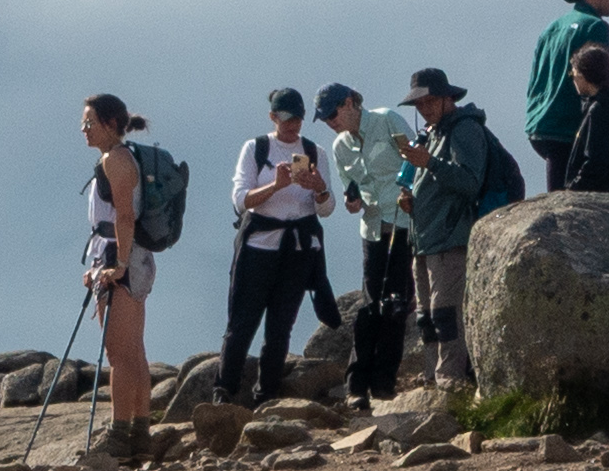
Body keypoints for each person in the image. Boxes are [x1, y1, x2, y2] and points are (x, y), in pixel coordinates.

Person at [398, 67, 517, 390]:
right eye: (419, 104)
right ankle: (432, 378)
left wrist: (430, 164)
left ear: (447, 98)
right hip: (425, 239)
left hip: (451, 238)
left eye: (429, 101)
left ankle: (451, 380)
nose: (423, 109)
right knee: (427, 316)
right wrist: (410, 200)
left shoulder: (464, 130)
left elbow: (468, 181)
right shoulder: (433, 133)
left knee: (446, 314)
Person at [220, 89, 337, 404]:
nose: (292, 125)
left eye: (297, 118)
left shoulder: (315, 152)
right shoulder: (256, 148)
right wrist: (276, 185)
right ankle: (225, 390)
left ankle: (267, 393)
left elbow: (326, 209)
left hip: (298, 250)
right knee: (242, 323)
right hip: (258, 248)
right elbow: (241, 201)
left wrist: (319, 189)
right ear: (273, 117)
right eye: (285, 118)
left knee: (281, 327)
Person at [321, 82, 416, 397]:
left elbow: (415, 159)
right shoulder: (340, 147)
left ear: (349, 103)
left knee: (396, 304)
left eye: (332, 113)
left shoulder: (387, 119)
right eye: (324, 118)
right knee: (369, 305)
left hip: (402, 221)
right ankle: (356, 383)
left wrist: (409, 192)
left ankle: (383, 383)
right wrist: (353, 202)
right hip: (373, 227)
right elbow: (352, 187)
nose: (330, 122)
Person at [79, 97, 161, 448]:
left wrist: (117, 266)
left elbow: (124, 216)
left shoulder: (116, 160)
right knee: (134, 351)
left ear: (110, 123)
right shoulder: (126, 157)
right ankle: (140, 433)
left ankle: (120, 436)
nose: (83, 129)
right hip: (130, 259)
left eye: (89, 122)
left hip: (121, 260)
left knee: (119, 354)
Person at [523, 0, 609, 197]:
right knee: (570, 203)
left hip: (539, 122)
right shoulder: (596, 27)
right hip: (568, 125)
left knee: (557, 193)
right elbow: (598, 79)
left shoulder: (551, 28)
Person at [561, 44, 609, 196]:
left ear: (584, 75)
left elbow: (595, 161)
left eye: (573, 73)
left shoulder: (598, 110)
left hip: (596, 197)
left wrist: (573, 189)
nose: (573, 77)